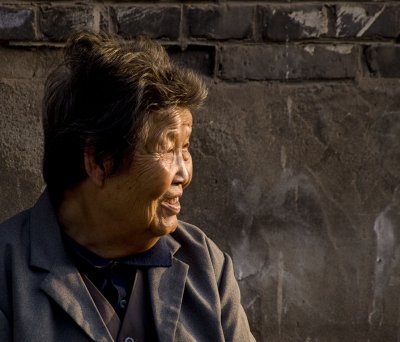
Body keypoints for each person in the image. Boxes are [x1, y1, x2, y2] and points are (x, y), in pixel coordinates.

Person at [0, 32, 255, 341]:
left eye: (185, 148)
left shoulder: (207, 267)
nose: (184, 173)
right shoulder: (7, 275)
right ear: (100, 162)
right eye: (166, 148)